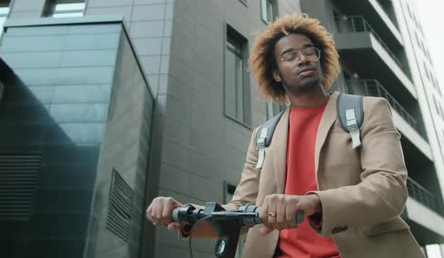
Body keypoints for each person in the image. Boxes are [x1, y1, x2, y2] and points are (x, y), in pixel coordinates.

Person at [146, 14, 424, 258]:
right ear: (276, 74)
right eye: (290, 56)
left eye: (308, 51)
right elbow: (240, 210)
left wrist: (314, 202)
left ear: (320, 57)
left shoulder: (367, 110)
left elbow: (390, 189)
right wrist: (184, 213)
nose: (303, 58)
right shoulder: (263, 136)